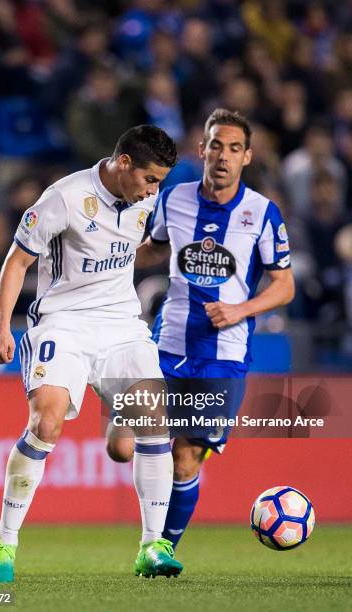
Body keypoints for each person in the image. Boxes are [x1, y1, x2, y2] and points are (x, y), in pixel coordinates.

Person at [0, 125, 183, 582]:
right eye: (151, 180)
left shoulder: (144, 201)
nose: (154, 191)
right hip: (63, 323)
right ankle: (4, 545)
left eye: (161, 183)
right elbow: (17, 261)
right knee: (46, 422)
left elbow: (133, 253)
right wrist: (1, 326)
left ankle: (152, 546)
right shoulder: (65, 197)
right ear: (125, 163)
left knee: (155, 418)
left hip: (119, 325)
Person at [106, 109, 295, 550]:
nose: (222, 156)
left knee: (185, 455)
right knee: (120, 447)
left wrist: (241, 309)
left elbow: (284, 285)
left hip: (222, 354)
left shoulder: (262, 213)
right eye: (215, 146)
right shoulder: (174, 199)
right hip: (166, 343)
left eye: (233, 148)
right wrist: (107, 255)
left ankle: (161, 548)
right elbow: (154, 248)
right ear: (202, 150)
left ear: (247, 156)